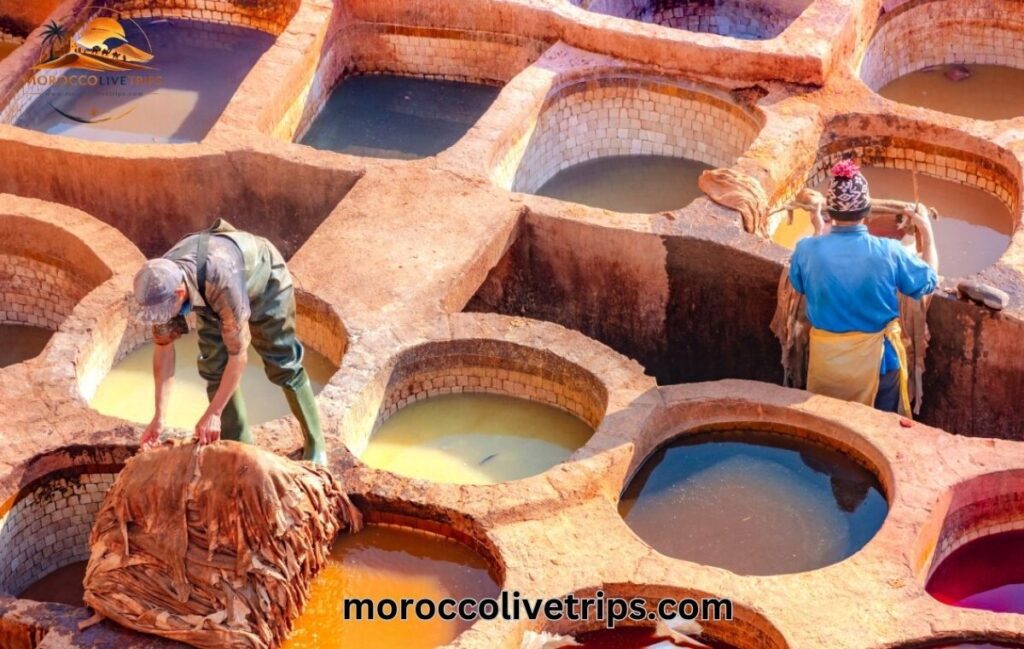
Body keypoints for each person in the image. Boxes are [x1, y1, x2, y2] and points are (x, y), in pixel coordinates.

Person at [130, 219, 327, 465]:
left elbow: (238, 356)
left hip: (263, 282)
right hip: (210, 295)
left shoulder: (220, 282)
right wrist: (159, 417)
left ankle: (316, 442)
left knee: (282, 361)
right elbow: (163, 348)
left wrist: (214, 412)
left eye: (164, 312)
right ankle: (241, 450)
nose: (161, 318)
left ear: (179, 294)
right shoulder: (159, 283)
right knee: (214, 366)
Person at [789, 160, 939, 414]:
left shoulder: (806, 249)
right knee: (875, 429)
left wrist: (817, 231)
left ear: (829, 212)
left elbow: (799, 282)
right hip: (879, 365)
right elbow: (929, 281)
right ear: (867, 211)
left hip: (828, 364)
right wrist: (928, 233)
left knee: (827, 423)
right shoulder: (889, 251)